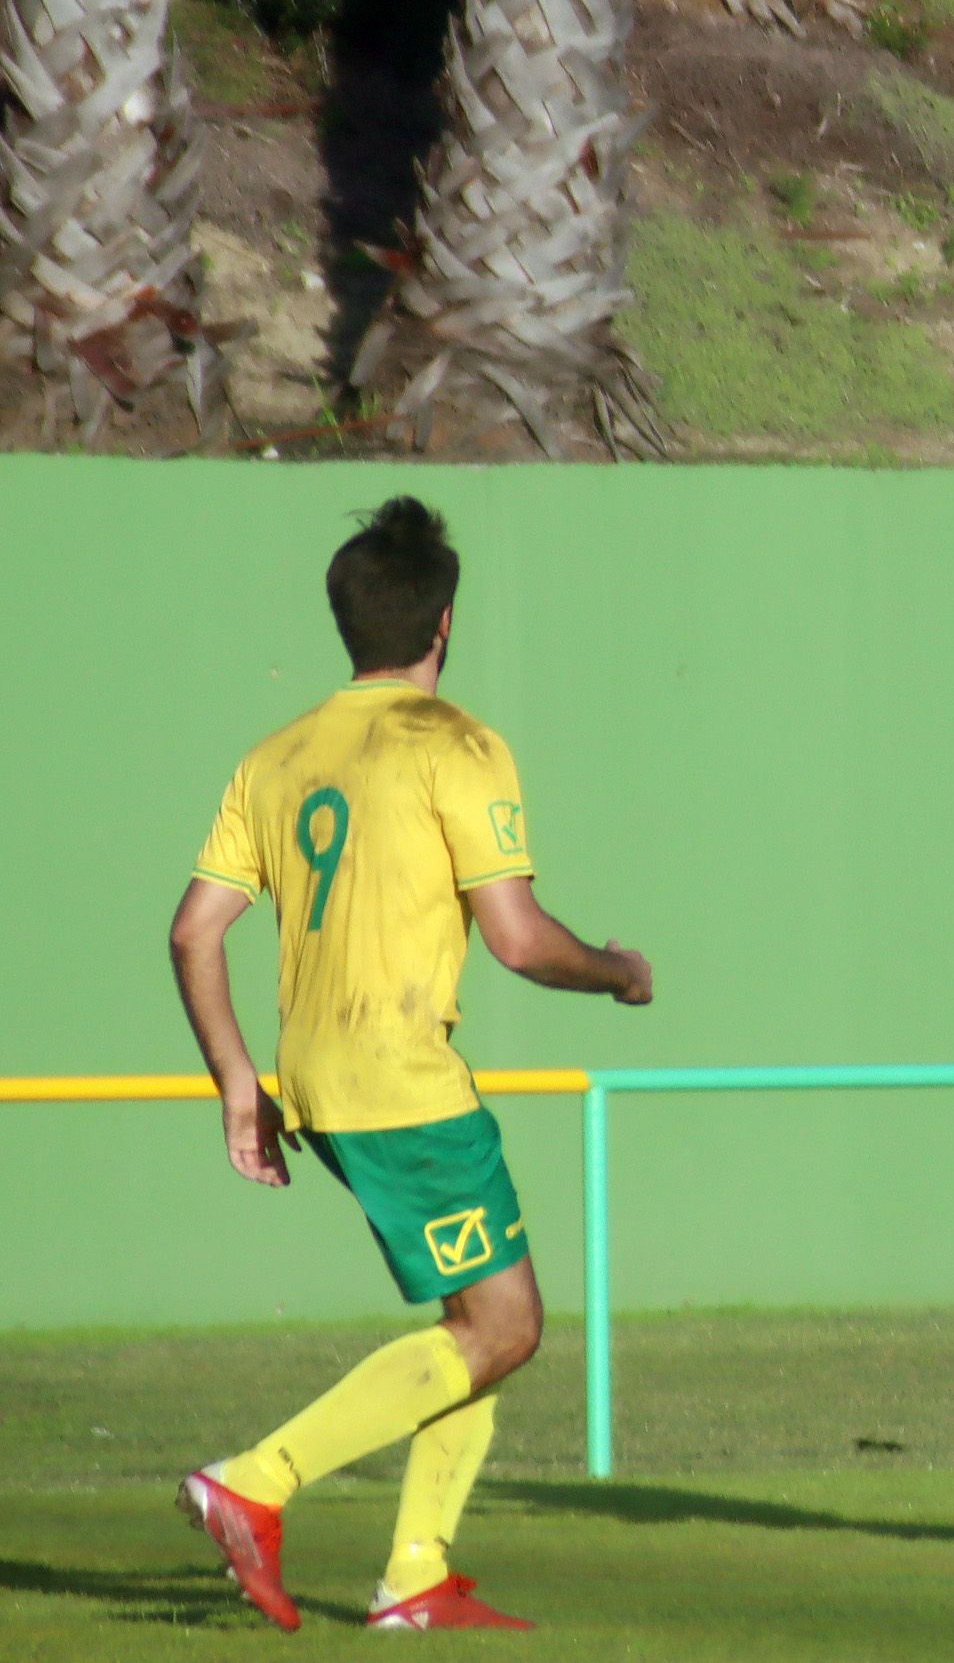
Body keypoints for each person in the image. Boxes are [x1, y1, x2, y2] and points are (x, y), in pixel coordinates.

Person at [170, 498, 655, 1632]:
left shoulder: (276, 755)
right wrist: (622, 972)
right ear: (444, 623)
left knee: (474, 1318)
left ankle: (417, 1576)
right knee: (507, 1326)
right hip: (401, 1079)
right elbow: (523, 941)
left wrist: (237, 1078)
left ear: (348, 623)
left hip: (316, 1078)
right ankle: (255, 1480)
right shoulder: (456, 744)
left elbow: (195, 930)